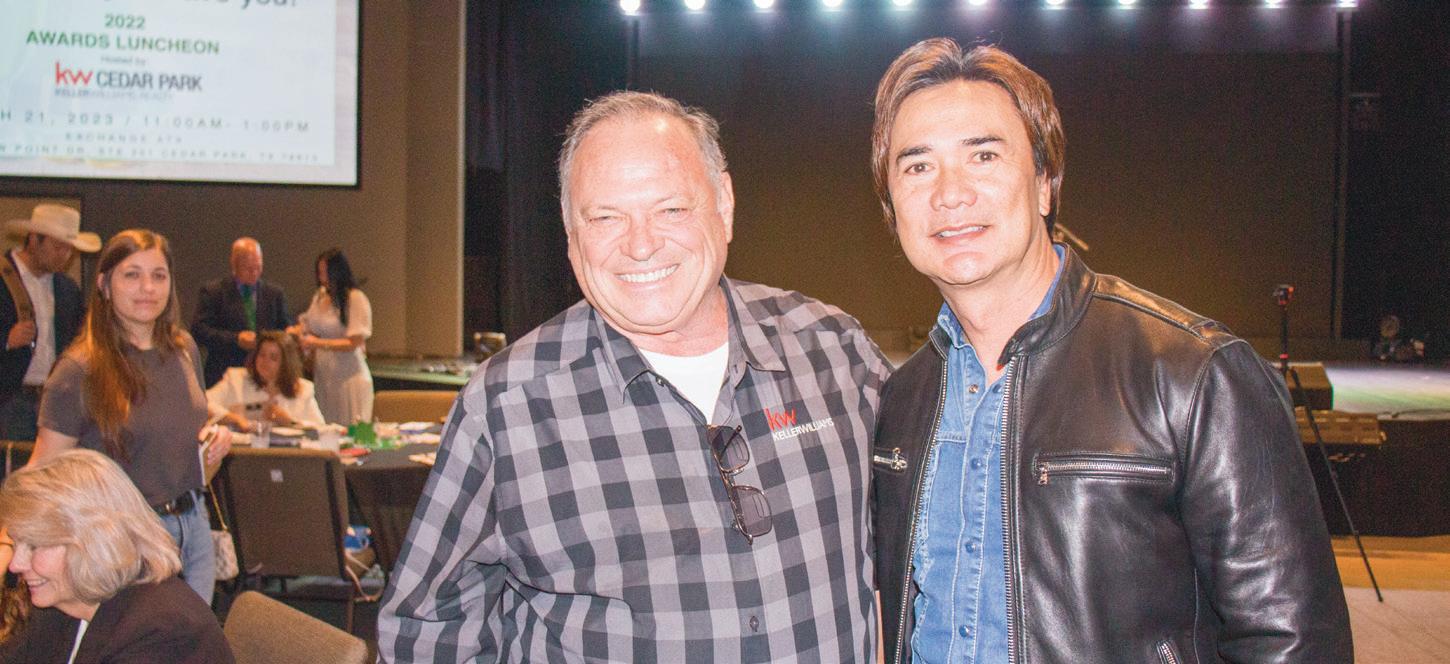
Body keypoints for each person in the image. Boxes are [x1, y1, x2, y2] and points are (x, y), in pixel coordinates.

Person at [869, 39, 1351, 663]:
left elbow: (1293, 640)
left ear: (1045, 184)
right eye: (917, 167)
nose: (950, 193)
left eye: (983, 155)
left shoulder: (1193, 374)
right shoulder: (900, 401)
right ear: (892, 207)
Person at [377, 91, 890, 662]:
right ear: (570, 232)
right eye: (605, 217)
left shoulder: (834, 354)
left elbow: (927, 555)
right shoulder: (508, 406)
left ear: (724, 204)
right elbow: (425, 633)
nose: (641, 245)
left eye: (671, 210)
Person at [30, 229, 232, 606]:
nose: (147, 288)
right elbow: (43, 473)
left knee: (192, 639)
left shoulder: (184, 349)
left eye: (158, 275)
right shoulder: (79, 369)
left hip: (194, 528)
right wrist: (16, 548)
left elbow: (178, 438)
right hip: (126, 540)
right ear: (104, 285)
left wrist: (213, 443)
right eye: (132, 275)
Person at [0, 449, 234, 663]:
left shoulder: (164, 633)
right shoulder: (61, 606)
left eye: (34, 546)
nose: (15, 565)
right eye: (16, 544)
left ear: (95, 543)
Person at [0, 204, 99, 441]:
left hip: (55, 398)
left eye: (69, 249)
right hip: (9, 398)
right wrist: (6, 341)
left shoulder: (67, 289)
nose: (64, 255)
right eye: (57, 247)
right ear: (34, 240)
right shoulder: (3, 279)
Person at [191, 237, 291, 389]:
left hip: (265, 376)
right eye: (248, 268)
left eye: (258, 267)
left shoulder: (274, 294)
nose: (254, 273)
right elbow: (199, 331)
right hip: (224, 373)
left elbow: (284, 329)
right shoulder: (214, 292)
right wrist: (235, 339)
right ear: (234, 264)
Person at [291, 249, 372, 425]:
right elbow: (309, 325)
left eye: (326, 272)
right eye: (319, 273)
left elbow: (354, 342)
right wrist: (298, 332)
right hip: (325, 375)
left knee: (349, 427)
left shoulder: (355, 298)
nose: (322, 278)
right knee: (326, 427)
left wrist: (318, 343)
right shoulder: (320, 296)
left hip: (348, 375)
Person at [206, 330, 325, 431]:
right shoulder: (236, 379)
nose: (265, 361)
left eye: (273, 358)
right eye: (262, 355)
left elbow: (320, 429)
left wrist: (289, 422)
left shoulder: (303, 389)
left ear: (286, 363)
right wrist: (234, 418)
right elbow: (204, 404)